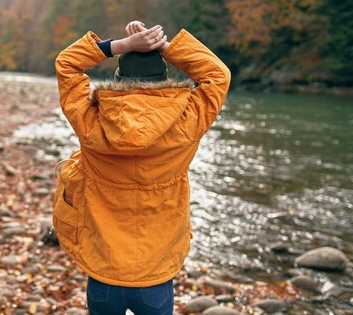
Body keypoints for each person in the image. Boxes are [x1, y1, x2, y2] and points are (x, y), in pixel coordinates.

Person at [53, 20, 231, 315]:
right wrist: (165, 47)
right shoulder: (188, 118)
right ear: (164, 78)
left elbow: (67, 64)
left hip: (104, 272)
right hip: (155, 275)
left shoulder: (91, 121)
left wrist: (120, 46)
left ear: (120, 79)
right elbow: (218, 75)